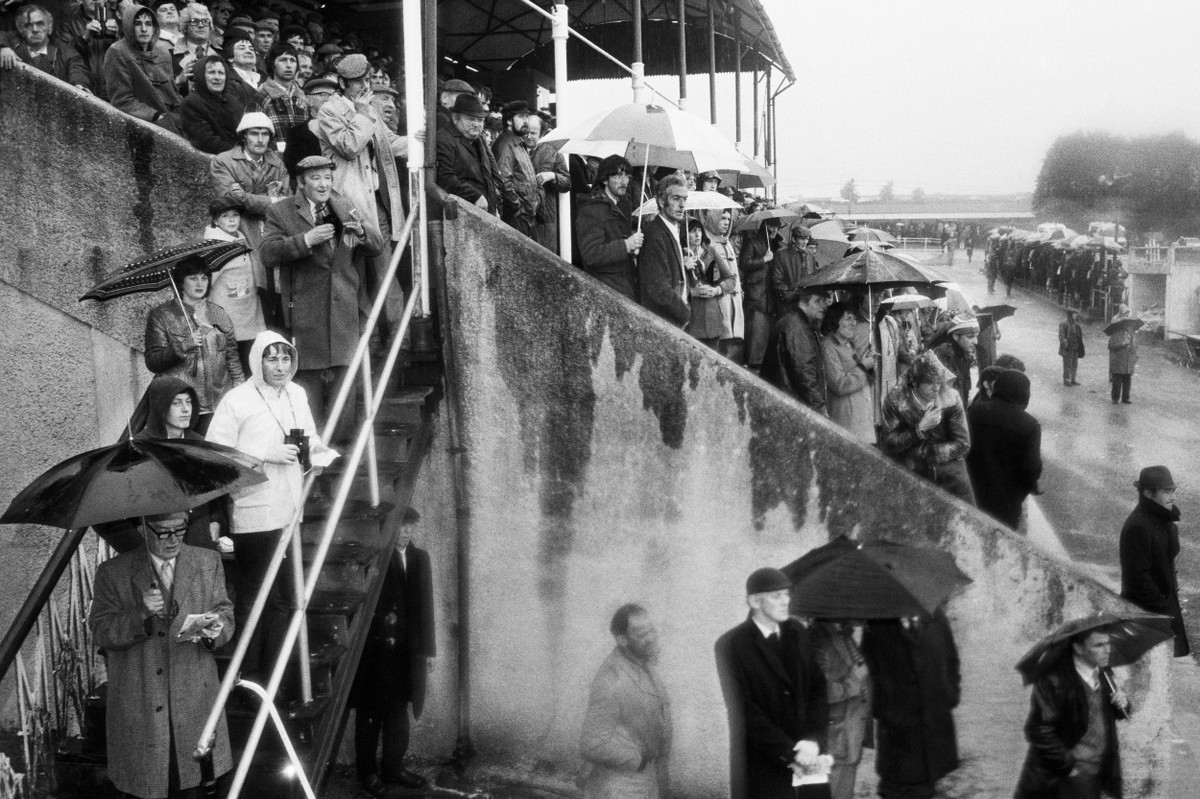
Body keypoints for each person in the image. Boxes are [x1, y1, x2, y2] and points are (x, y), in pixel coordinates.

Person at [206, 330, 336, 682]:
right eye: (271, 358)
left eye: (284, 358)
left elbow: (310, 437)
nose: (279, 366)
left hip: (290, 509)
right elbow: (216, 455)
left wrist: (319, 456)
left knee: (284, 598)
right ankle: (248, 677)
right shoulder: (237, 400)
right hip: (256, 514)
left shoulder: (297, 394)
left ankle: (274, 678)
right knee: (254, 600)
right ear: (257, 360)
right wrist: (265, 456)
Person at [88, 510, 234, 799]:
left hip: (194, 699)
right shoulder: (113, 572)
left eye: (179, 530)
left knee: (195, 786)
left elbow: (224, 611)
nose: (172, 540)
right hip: (142, 704)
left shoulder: (207, 562)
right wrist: (139, 613)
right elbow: (101, 631)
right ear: (143, 530)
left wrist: (217, 630)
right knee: (148, 787)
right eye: (163, 532)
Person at [259, 154, 383, 441]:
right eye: (316, 178)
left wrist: (362, 232)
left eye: (328, 177)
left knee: (345, 388)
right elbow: (267, 253)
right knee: (308, 391)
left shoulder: (344, 204)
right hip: (306, 314)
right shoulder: (282, 211)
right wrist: (305, 240)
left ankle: (340, 457)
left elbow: (375, 246)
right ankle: (312, 453)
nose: (324, 183)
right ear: (301, 183)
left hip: (345, 310)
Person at [714, 567, 828, 799]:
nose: (786, 601)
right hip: (765, 764)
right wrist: (790, 754)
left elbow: (817, 688)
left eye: (787, 594)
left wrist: (813, 739)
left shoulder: (798, 631)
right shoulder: (731, 645)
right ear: (754, 601)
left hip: (809, 759)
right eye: (777, 596)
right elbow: (744, 711)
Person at [351, 539, 436, 796]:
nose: (405, 532)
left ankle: (393, 768)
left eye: (411, 526)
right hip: (374, 651)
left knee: (398, 712)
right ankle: (367, 771)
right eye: (402, 525)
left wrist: (428, 651)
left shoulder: (420, 558)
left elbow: (426, 606)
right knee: (370, 713)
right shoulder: (375, 557)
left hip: (405, 652)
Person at [1014, 627, 1130, 799]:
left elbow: (1108, 713)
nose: (1107, 650)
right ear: (1078, 648)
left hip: (1094, 771)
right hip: (1066, 775)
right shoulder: (1055, 680)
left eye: (1108, 643)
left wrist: (1123, 703)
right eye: (1099, 645)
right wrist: (1068, 768)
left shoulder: (1104, 673)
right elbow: (1039, 730)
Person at [861, 608, 961, 799]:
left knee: (926, 785)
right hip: (897, 728)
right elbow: (869, 670)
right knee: (896, 788)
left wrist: (951, 693)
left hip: (932, 719)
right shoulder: (878, 621)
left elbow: (951, 659)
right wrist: (886, 710)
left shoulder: (936, 616)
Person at [580, 604, 673, 799]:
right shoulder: (611, 680)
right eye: (641, 634)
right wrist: (638, 760)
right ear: (622, 639)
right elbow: (592, 743)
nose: (651, 638)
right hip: (620, 786)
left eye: (651, 631)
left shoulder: (640, 662)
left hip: (644, 779)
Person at [143, 256, 244, 432]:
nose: (200, 283)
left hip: (219, 404)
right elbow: (153, 361)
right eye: (193, 278)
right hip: (183, 405)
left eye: (204, 277)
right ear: (181, 282)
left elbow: (232, 358)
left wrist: (240, 391)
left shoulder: (219, 313)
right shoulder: (161, 316)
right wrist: (183, 345)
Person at [209, 110, 288, 322]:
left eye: (265, 134)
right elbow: (230, 199)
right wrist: (271, 201)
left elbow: (286, 201)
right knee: (249, 292)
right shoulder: (223, 161)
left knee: (276, 293)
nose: (260, 139)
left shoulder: (277, 163)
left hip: (273, 232)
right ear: (244, 135)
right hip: (241, 232)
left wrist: (247, 198)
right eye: (254, 133)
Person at [880, 351, 974, 503]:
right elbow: (888, 444)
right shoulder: (896, 400)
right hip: (912, 471)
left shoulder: (951, 398)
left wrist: (926, 453)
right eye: (930, 383)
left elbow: (963, 443)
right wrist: (920, 429)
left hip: (948, 469)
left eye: (939, 382)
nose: (936, 388)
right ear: (915, 383)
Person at [1120, 466, 1191, 657]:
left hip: (1159, 614)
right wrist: (1162, 609)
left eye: (1173, 490)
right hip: (1148, 617)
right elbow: (1137, 578)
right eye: (1167, 491)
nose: (1173, 496)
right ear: (1148, 493)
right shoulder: (1139, 527)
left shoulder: (1161, 520)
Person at [966, 369, 1042, 530]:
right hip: (1007, 500)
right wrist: (1029, 487)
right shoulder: (1029, 424)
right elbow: (1031, 467)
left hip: (973, 491)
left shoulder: (974, 411)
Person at [202, 196, 265, 372]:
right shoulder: (213, 245)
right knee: (233, 366)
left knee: (250, 362)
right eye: (225, 216)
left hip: (248, 311)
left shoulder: (241, 237)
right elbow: (207, 281)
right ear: (215, 220)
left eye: (235, 215)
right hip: (227, 314)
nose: (231, 220)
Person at [812, 620, 871, 799]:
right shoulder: (818, 640)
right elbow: (820, 691)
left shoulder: (844, 634)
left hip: (850, 730)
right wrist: (854, 680)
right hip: (835, 735)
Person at [103, 3, 183, 132]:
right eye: (138, 24)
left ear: (154, 27)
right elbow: (122, 100)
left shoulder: (163, 52)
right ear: (128, 26)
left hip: (175, 116)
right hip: (149, 122)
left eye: (148, 24)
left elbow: (174, 93)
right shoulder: (117, 51)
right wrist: (156, 116)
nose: (144, 29)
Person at [574, 154, 642, 301]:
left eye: (626, 176)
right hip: (606, 289)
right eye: (617, 176)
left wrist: (633, 246)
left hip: (626, 283)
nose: (624, 181)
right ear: (605, 179)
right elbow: (591, 254)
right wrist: (626, 245)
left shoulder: (623, 204)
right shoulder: (591, 210)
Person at [760, 287, 830, 414]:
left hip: (783, 401)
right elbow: (804, 371)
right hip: (791, 405)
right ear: (803, 302)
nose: (823, 306)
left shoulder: (794, 323)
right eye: (818, 301)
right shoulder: (797, 328)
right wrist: (819, 407)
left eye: (823, 301)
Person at [637, 174, 690, 327]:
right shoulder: (654, 233)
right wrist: (685, 313)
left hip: (672, 319)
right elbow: (658, 287)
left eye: (684, 199)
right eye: (676, 198)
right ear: (661, 201)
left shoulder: (670, 230)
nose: (682, 205)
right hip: (662, 321)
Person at [435, 93, 501, 215]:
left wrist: (494, 205)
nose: (476, 124)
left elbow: (490, 175)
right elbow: (445, 178)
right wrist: (476, 196)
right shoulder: (444, 139)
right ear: (455, 118)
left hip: (483, 213)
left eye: (480, 120)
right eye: (471, 119)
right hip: (462, 214)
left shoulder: (479, 141)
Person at [821, 302, 875, 442]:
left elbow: (864, 379)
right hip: (847, 421)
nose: (853, 323)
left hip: (861, 418)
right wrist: (863, 367)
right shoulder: (828, 346)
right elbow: (839, 385)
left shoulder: (849, 344)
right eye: (848, 318)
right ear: (834, 320)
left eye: (855, 319)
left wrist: (869, 363)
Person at [1, 5, 91, 90]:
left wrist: (79, 85)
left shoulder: (66, 52)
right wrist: (3, 48)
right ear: (21, 29)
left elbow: (78, 71)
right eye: (28, 25)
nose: (35, 29)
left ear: (49, 26)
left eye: (40, 24)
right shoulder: (12, 47)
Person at [492, 99, 541, 238]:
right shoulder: (505, 145)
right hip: (517, 218)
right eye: (521, 117)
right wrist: (518, 208)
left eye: (526, 116)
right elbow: (503, 182)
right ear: (508, 121)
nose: (526, 121)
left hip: (526, 216)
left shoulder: (518, 142)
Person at [684, 218, 736, 348]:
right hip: (692, 319)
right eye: (692, 231)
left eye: (700, 231)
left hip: (713, 318)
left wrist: (716, 290)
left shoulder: (711, 250)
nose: (697, 235)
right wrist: (692, 291)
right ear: (684, 234)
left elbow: (731, 279)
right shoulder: (680, 254)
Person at [525, 113, 571, 252]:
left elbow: (567, 182)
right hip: (523, 215)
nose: (528, 136)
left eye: (533, 133)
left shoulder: (552, 152)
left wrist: (552, 176)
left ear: (542, 133)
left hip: (544, 218)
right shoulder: (515, 149)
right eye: (526, 132)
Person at [180, 55, 244, 153]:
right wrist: (240, 154)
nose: (217, 78)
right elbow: (206, 141)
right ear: (201, 75)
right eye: (211, 72)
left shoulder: (233, 100)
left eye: (221, 73)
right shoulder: (191, 103)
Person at [740, 219, 782, 368]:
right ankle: (752, 365)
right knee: (755, 337)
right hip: (756, 295)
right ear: (765, 226)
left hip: (770, 297)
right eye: (772, 227)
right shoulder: (752, 241)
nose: (774, 230)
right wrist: (764, 259)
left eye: (777, 228)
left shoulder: (777, 244)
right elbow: (744, 263)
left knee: (765, 338)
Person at [248, 44, 306, 141]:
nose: (288, 65)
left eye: (292, 60)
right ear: (272, 64)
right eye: (283, 60)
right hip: (273, 154)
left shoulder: (303, 98)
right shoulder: (260, 98)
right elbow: (252, 138)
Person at [933, 313, 979, 408]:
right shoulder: (943, 357)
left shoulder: (963, 354)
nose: (976, 341)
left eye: (976, 336)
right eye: (970, 337)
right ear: (956, 336)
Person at [170, 2, 213, 95]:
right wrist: (177, 81)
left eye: (205, 21)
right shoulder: (169, 56)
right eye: (194, 21)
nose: (201, 25)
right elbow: (160, 95)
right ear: (185, 27)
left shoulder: (221, 55)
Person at [769, 224, 811, 316]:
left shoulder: (809, 255)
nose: (805, 242)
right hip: (788, 305)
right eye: (801, 239)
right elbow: (777, 280)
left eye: (807, 239)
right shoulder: (781, 255)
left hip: (806, 303)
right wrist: (791, 294)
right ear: (793, 239)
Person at [1106, 317, 1137, 405]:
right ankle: (1115, 398)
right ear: (1125, 325)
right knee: (1117, 380)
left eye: (1133, 325)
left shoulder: (1133, 335)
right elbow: (1111, 345)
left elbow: (1135, 346)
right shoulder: (1117, 334)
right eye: (1131, 325)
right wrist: (1123, 343)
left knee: (1127, 380)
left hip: (1128, 361)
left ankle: (1125, 398)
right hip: (1118, 361)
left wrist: (1135, 355)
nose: (1132, 327)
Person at [1059, 308, 1084, 387]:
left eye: (1076, 314)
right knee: (1067, 364)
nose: (1076, 315)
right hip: (1068, 347)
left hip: (1075, 347)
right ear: (1070, 314)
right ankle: (1067, 380)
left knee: (1074, 364)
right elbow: (1061, 336)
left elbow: (1079, 334)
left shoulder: (1076, 323)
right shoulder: (1064, 323)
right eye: (1074, 314)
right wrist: (1065, 344)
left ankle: (1073, 379)